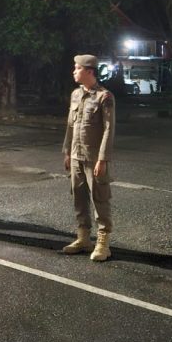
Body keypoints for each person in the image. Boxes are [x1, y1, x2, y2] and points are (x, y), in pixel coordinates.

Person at [61, 54, 116, 262]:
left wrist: (103, 159)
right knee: (78, 196)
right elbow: (70, 126)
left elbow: (109, 130)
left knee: (100, 197)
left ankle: (103, 243)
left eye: (77, 68)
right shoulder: (75, 95)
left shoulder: (105, 97)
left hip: (94, 158)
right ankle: (83, 238)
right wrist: (67, 152)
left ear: (89, 71)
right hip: (76, 156)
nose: (74, 71)